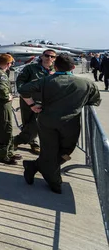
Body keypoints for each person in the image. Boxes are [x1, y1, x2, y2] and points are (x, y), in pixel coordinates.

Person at [19, 54, 101, 194]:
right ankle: (54, 181)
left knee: (50, 152)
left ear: (55, 67)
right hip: (70, 125)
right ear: (73, 67)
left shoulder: (45, 81)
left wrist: (32, 105)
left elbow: (23, 90)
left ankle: (35, 166)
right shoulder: (87, 84)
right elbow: (94, 101)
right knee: (65, 151)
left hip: (47, 123)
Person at [13, 49, 56, 154]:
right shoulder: (30, 68)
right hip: (29, 101)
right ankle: (32, 142)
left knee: (37, 125)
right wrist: (28, 100)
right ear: (42, 56)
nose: (49, 58)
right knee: (28, 123)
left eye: (52, 57)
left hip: (45, 103)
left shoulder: (55, 70)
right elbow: (20, 83)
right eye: (47, 55)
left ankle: (16, 141)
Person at [0, 54, 21, 164]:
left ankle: (9, 152)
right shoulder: (1, 74)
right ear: (8, 64)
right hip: (2, 105)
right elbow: (3, 90)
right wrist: (8, 96)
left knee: (5, 129)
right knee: (4, 130)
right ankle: (1, 156)